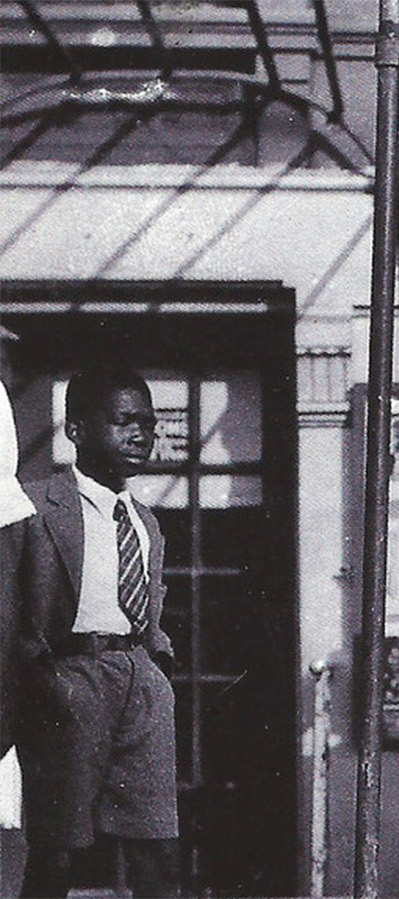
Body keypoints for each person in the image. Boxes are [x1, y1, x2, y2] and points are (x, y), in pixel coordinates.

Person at [0, 366, 181, 898]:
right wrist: (39, 684)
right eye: (123, 421)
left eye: (148, 423)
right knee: (59, 850)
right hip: (67, 686)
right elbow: (6, 613)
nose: (140, 435)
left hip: (139, 686)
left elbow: (150, 610)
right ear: (76, 430)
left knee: (157, 848)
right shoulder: (33, 507)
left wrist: (155, 671)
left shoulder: (145, 521)